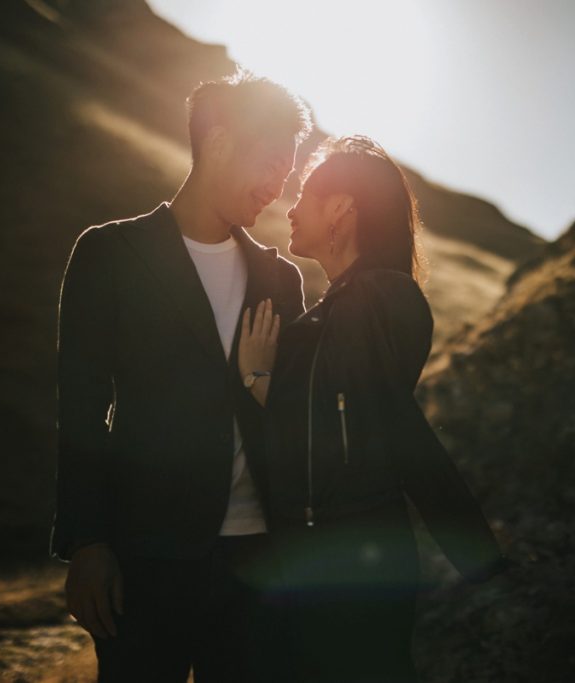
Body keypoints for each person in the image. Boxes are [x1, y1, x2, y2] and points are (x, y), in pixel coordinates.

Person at [49, 69, 311, 682]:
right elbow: (82, 407)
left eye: (288, 171)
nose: (278, 187)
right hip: (146, 558)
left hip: (259, 563)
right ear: (218, 142)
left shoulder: (281, 279)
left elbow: (293, 412)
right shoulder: (110, 253)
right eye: (271, 163)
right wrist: (87, 543)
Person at [238, 135, 511, 683]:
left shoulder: (382, 297)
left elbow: (359, 423)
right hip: (330, 554)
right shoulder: (349, 301)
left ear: (341, 207)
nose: (289, 209)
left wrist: (258, 378)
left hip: (351, 562)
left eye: (305, 195)